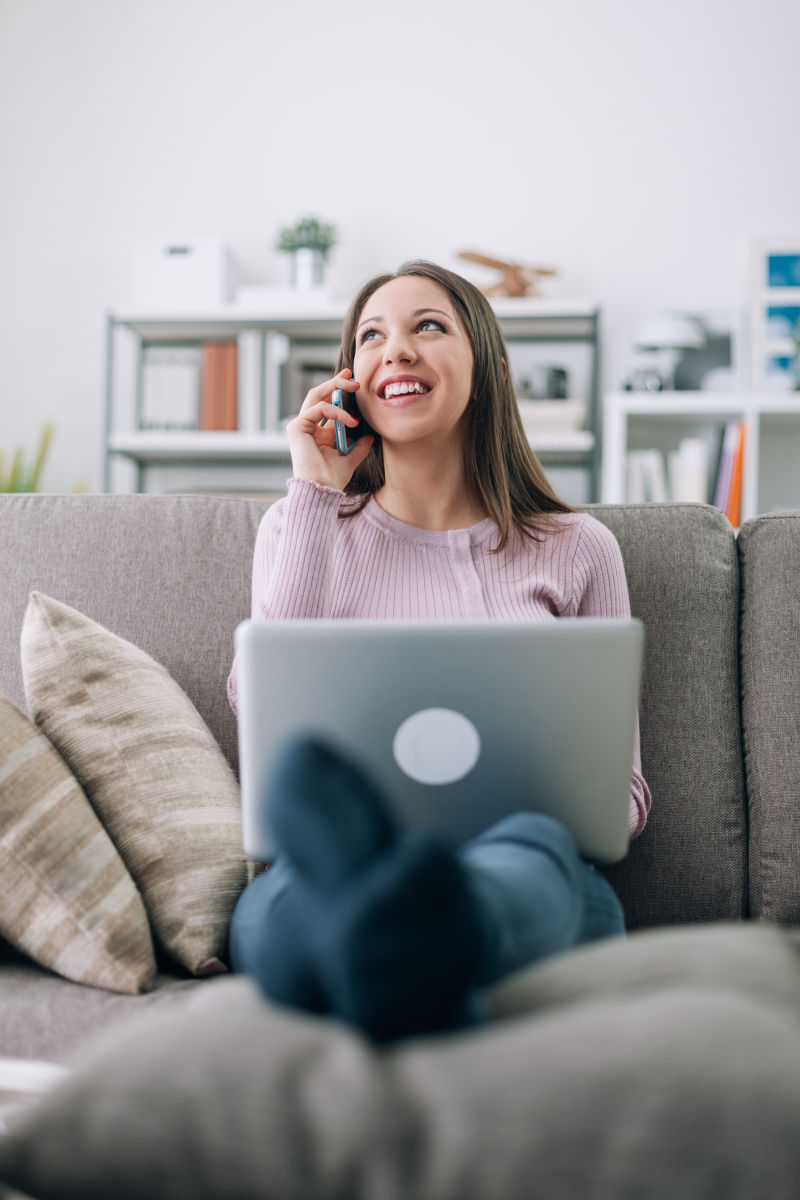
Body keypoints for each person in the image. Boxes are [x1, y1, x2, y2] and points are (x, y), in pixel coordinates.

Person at [226, 260, 651, 1042]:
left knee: (534, 855)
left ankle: (397, 937)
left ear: (488, 370)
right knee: (275, 906)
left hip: (524, 863)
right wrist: (317, 490)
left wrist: (539, 805)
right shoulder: (297, 528)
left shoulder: (578, 549)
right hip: (332, 869)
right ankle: (404, 945)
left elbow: (620, 800)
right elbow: (265, 718)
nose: (396, 350)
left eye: (428, 326)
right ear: (350, 382)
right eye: (371, 336)